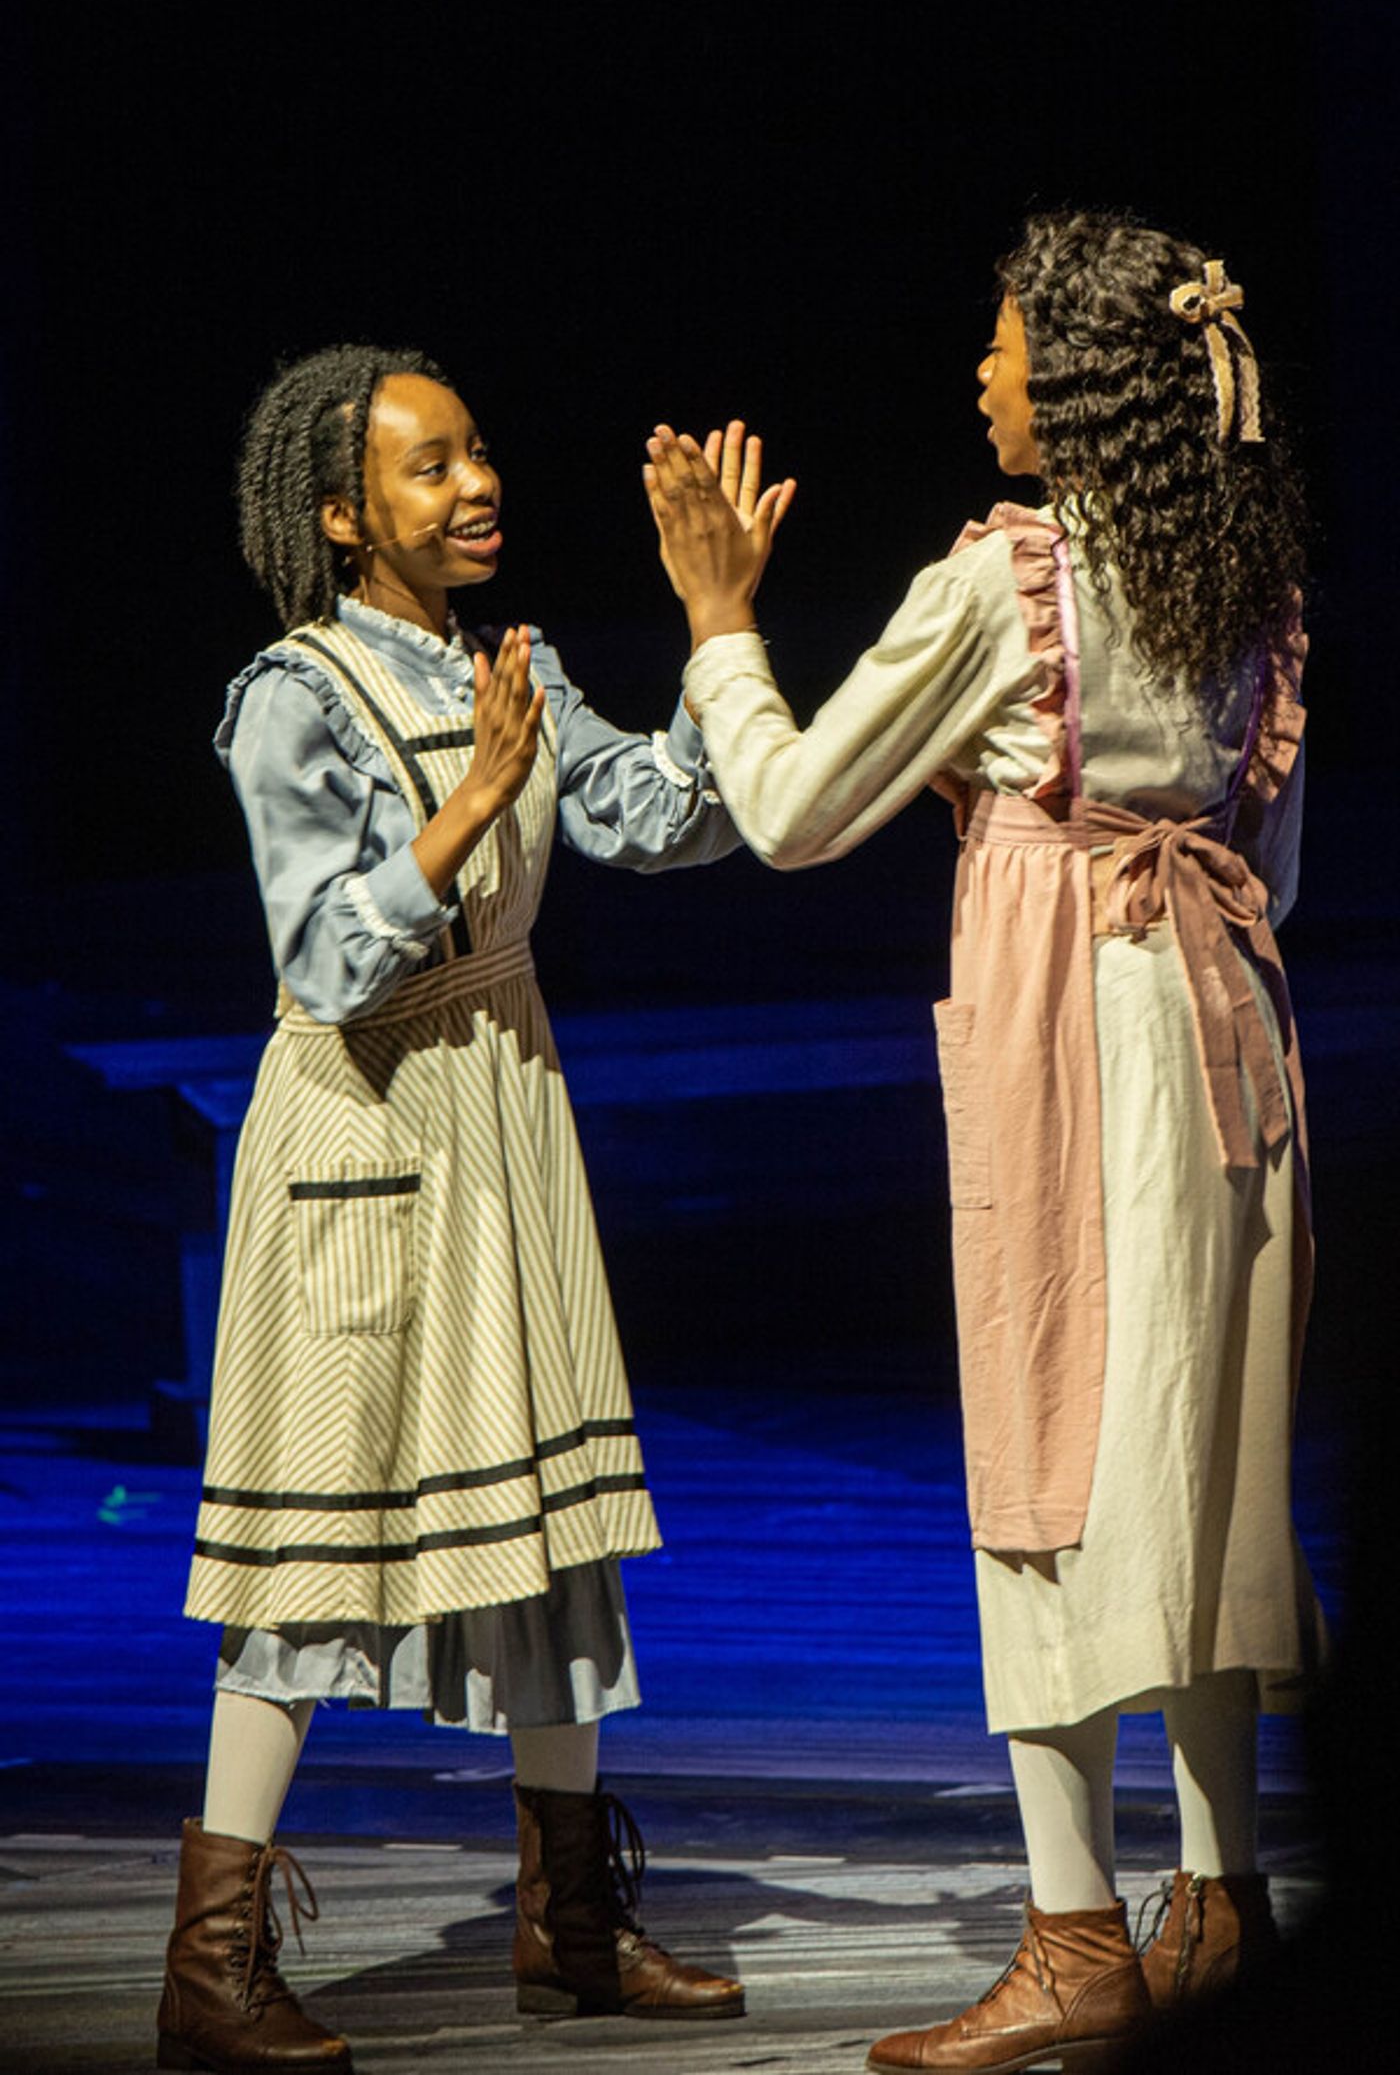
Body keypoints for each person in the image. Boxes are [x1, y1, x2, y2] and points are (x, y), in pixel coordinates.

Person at [644, 211, 1321, 2073]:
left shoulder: (1005, 581)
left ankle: (1074, 1927)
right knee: (1196, 1468)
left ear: (1080, 386)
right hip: (1232, 1041)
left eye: (1010, 345)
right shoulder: (1241, 590)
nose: (984, 373)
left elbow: (787, 808)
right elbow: (1282, 868)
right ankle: (1220, 1898)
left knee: (1052, 1445)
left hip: (1078, 1047)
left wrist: (720, 629)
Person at [158, 344, 780, 2073]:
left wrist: (719, 625)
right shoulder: (292, 691)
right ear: (344, 512)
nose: (477, 484)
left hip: (503, 1114)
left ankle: (569, 1924)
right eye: (430, 468)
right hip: (361, 1132)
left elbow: (661, 816)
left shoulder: (519, 668)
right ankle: (208, 1965)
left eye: (480, 452)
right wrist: (461, 819)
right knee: (316, 1542)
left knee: (553, 1536)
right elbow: (319, 956)